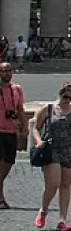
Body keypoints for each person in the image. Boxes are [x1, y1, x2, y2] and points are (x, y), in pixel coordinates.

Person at [30, 82, 71, 231]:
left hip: (70, 150)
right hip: (51, 148)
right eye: (65, 96)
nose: (67, 100)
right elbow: (35, 127)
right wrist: (38, 141)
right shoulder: (47, 109)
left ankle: (62, 220)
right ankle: (43, 210)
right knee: (53, 184)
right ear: (60, 93)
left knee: (65, 185)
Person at [0, 61, 26, 209]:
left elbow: (20, 108)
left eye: (9, 71)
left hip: (11, 130)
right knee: (1, 163)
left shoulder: (16, 89)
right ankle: (1, 197)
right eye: (4, 71)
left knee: (8, 164)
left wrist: (24, 124)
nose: (7, 74)